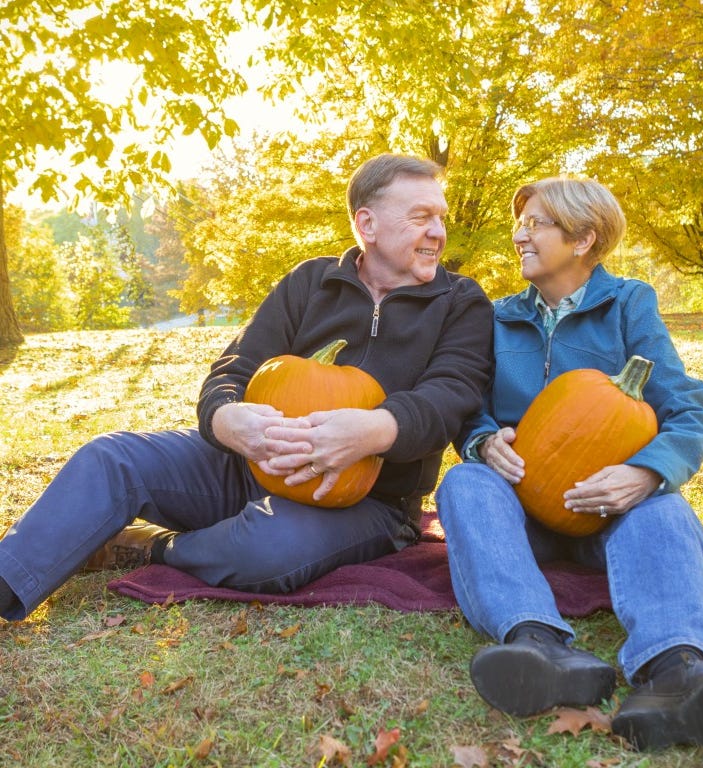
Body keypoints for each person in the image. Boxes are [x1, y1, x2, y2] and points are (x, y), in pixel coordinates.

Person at [0, 153, 493, 622]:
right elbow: (234, 369)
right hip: (246, 466)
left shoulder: (460, 302)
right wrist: (225, 418)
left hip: (366, 500)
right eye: (421, 217)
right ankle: (8, 584)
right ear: (367, 225)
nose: (438, 232)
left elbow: (450, 394)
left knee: (270, 547)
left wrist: (373, 430)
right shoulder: (310, 282)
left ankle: (154, 546)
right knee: (112, 458)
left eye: (441, 218)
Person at [435, 176, 703, 751]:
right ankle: (540, 644)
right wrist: (484, 439)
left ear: (584, 238)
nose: (519, 235)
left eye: (535, 223)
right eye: (521, 224)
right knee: (464, 482)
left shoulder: (628, 304)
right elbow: (469, 406)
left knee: (662, 507)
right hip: (519, 513)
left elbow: (687, 412)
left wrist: (643, 473)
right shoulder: (496, 315)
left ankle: (676, 673)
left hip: (605, 515)